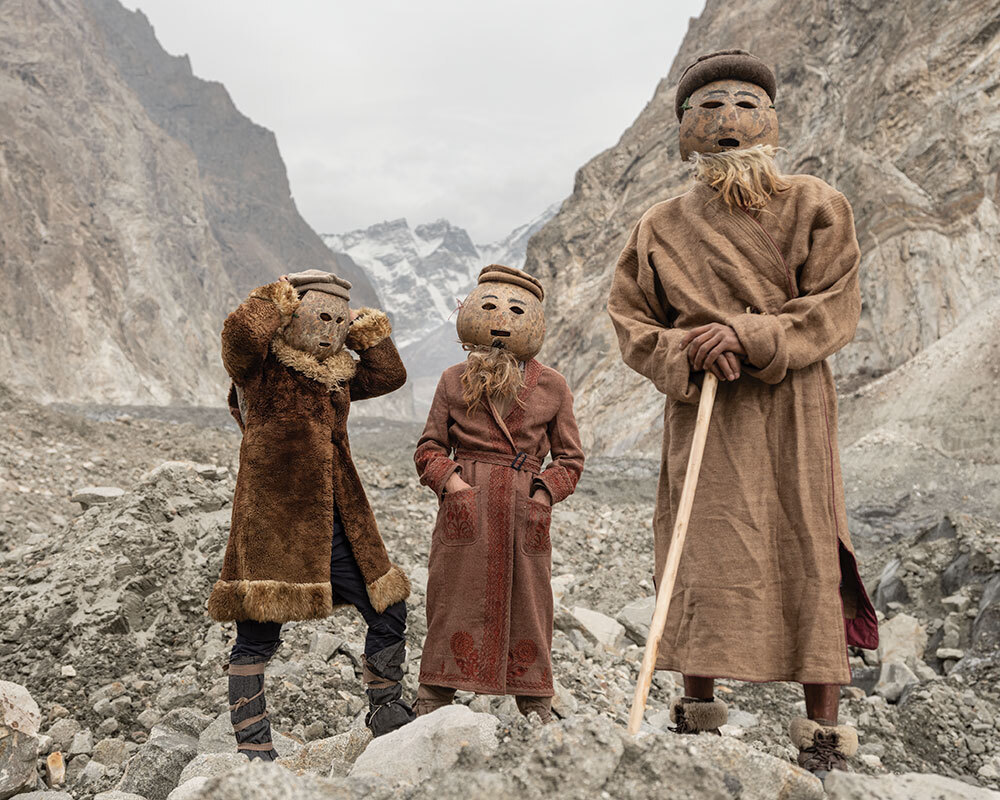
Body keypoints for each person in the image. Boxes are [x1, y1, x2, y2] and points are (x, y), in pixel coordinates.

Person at [607, 50, 878, 778]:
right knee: (705, 547)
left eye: (745, 104)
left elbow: (834, 305)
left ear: (773, 122)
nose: (728, 119)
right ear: (686, 131)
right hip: (706, 411)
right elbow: (632, 321)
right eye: (709, 108)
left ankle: (822, 731)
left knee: (807, 545)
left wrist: (752, 334)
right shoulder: (660, 226)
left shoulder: (818, 205)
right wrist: (688, 348)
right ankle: (698, 715)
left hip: (791, 406)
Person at [207, 269, 414, 758]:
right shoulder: (260, 369)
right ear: (292, 315)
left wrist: (369, 335)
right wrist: (272, 301)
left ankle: (385, 711)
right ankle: (254, 750)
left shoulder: (337, 376)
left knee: (388, 606)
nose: (331, 329)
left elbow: (389, 375)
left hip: (340, 519)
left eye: (340, 322)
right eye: (321, 316)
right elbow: (239, 337)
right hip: (274, 525)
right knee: (257, 638)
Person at [412, 264, 585, 722]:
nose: (501, 318)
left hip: (522, 509)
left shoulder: (553, 386)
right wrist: (452, 482)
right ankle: (434, 697)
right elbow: (429, 447)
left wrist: (543, 495)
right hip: (466, 508)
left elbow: (570, 460)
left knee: (531, 600)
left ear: (532, 321)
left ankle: (534, 701)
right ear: (471, 313)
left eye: (514, 311)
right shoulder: (453, 379)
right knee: (451, 595)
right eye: (489, 307)